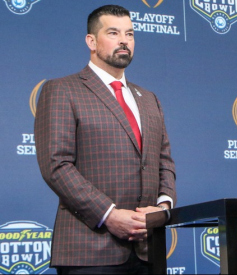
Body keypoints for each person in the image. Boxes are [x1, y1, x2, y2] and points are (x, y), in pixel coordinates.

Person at [34, 5, 176, 274]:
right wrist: (109, 214)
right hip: (89, 252)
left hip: (149, 251)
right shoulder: (61, 90)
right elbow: (56, 165)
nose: (124, 40)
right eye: (113, 32)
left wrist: (162, 207)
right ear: (91, 41)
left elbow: (164, 161)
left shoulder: (150, 99)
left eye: (130, 34)